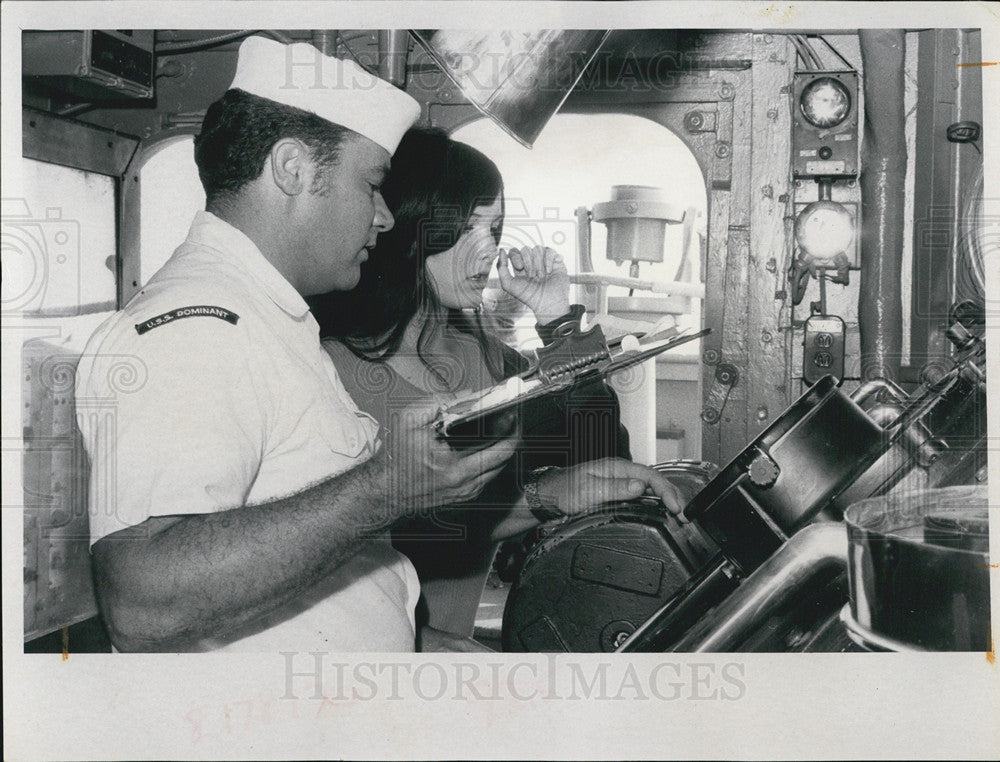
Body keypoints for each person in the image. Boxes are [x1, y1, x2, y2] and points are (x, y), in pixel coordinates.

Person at [75, 37, 521, 653]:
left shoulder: (272, 320)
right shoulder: (198, 329)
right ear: (292, 169)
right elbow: (144, 601)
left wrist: (418, 647)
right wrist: (384, 487)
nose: (386, 216)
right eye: (371, 184)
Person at [309, 128, 684, 641]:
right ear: (415, 227)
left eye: (496, 226)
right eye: (469, 227)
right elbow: (351, 542)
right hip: (378, 645)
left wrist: (557, 322)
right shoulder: (331, 367)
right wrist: (419, 641)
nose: (490, 248)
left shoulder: (480, 353)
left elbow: (598, 447)